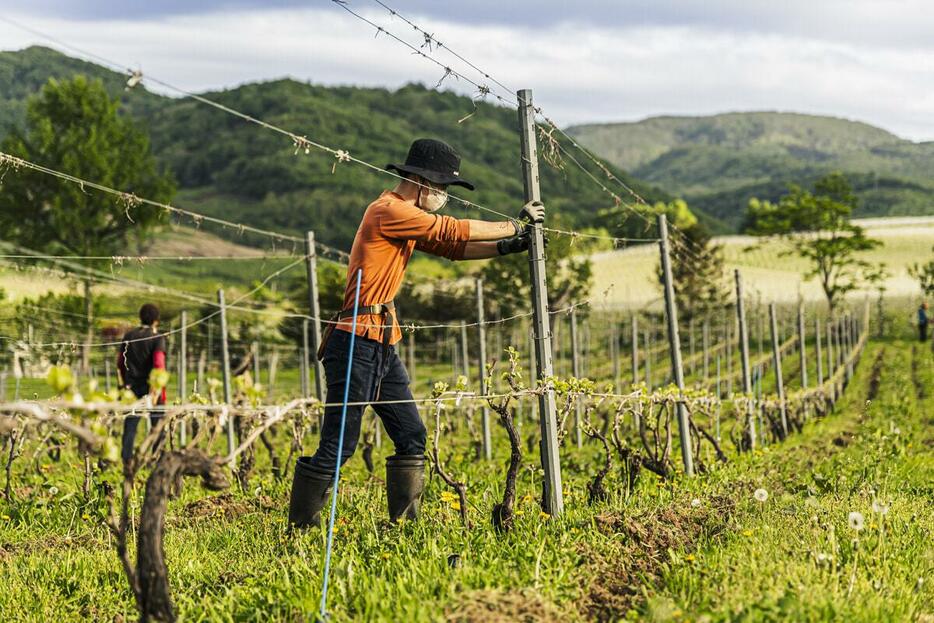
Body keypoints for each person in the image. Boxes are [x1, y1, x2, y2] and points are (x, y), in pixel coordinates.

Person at [288, 138, 543, 528]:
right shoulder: (388, 210)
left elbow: (451, 248)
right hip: (355, 342)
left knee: (411, 434)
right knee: (339, 446)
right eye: (441, 187)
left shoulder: (405, 216)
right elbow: (451, 229)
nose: (442, 196)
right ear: (420, 181)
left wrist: (507, 246)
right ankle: (300, 531)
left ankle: (404, 526)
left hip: (382, 343)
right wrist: (514, 222)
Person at [117, 303, 168, 462]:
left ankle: (127, 460)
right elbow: (159, 364)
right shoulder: (157, 338)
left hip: (132, 387)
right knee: (157, 426)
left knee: (130, 426)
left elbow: (120, 362)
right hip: (153, 389)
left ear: (141, 318)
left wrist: (125, 384)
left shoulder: (128, 336)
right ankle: (157, 458)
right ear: (156, 320)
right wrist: (156, 390)